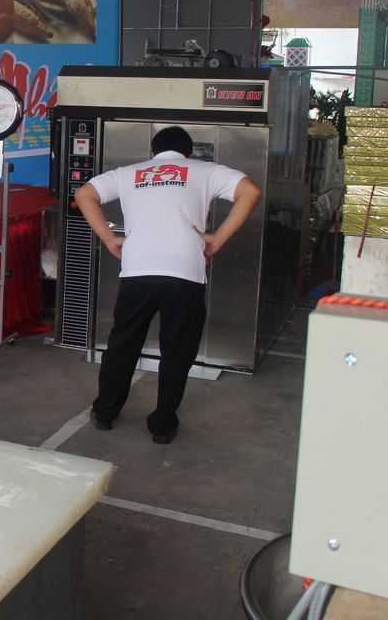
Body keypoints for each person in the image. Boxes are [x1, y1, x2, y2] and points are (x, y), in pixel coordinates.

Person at [74, 126, 262, 445]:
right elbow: (250, 192)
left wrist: (109, 239)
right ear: (188, 153)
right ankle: (162, 426)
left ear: (153, 151)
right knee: (177, 351)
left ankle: (105, 412)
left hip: (138, 269)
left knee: (123, 345)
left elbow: (84, 194)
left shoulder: (129, 173)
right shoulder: (204, 170)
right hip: (185, 271)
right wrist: (217, 239)